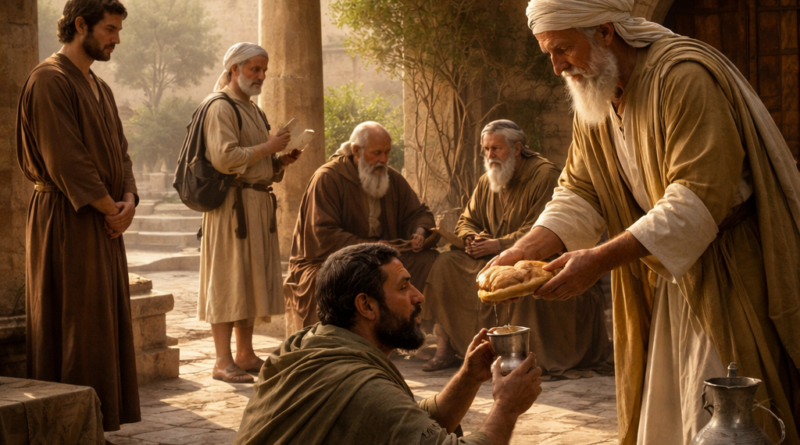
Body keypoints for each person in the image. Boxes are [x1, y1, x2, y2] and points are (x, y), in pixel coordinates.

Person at [487, 0, 800, 443]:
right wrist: (524, 250)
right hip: (661, 277)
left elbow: (696, 198)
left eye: (563, 49)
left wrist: (599, 259)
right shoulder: (596, 93)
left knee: (720, 416)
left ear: (606, 32)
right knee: (666, 414)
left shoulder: (683, 77)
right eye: (549, 53)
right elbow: (581, 189)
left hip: (726, 273)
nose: (557, 67)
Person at [235, 243, 543, 445]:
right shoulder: (359, 386)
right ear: (366, 306)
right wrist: (507, 406)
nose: (419, 296)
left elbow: (404, 425)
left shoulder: (308, 343)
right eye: (403, 287)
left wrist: (468, 377)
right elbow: (382, 409)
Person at [15, 0, 140, 431]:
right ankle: (68, 429)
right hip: (66, 220)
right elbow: (66, 159)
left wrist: (128, 201)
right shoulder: (49, 80)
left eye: (118, 30)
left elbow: (121, 152)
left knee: (100, 325)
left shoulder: (99, 87)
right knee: (75, 325)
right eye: (110, 29)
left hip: (104, 221)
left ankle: (95, 425)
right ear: (80, 24)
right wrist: (110, 208)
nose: (116, 39)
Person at [422, 120, 611, 375]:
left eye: (496, 148)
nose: (490, 155)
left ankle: (521, 356)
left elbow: (545, 230)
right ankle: (447, 349)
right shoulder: (488, 180)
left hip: (538, 259)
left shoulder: (544, 176)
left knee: (522, 284)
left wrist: (498, 244)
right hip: (494, 260)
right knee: (445, 264)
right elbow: (467, 220)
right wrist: (471, 238)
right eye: (486, 149)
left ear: (517, 148)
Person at [197, 42, 303, 384]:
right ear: (234, 69)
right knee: (228, 280)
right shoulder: (220, 106)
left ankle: (244, 354)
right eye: (254, 69)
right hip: (231, 208)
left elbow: (257, 163)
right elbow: (225, 158)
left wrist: (279, 161)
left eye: (264, 70)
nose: (261, 76)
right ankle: (222, 361)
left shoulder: (253, 110)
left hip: (255, 204)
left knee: (247, 281)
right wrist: (268, 146)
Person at [284, 121, 438, 334]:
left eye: (387, 152)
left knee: (432, 261)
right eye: (377, 153)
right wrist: (371, 248)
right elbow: (324, 236)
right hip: (329, 261)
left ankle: (419, 336)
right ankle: (350, 345)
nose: (384, 159)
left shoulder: (390, 176)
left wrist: (420, 230)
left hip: (383, 257)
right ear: (356, 151)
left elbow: (419, 213)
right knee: (344, 278)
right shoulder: (327, 178)